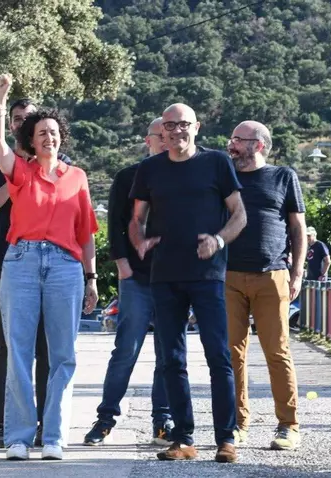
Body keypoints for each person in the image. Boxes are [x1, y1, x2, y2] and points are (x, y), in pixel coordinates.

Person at [129, 103, 246, 463]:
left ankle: (226, 439)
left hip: (207, 276)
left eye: (183, 124)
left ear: (197, 127)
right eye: (170, 125)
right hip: (165, 275)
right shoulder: (150, 169)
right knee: (171, 360)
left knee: (218, 356)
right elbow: (136, 219)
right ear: (161, 131)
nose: (176, 130)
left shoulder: (216, 163)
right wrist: (140, 241)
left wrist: (218, 241)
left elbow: (240, 215)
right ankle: (183, 439)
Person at [0, 73, 98, 461]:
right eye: (41, 133)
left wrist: (91, 278)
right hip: (21, 262)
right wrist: (0, 99)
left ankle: (53, 436)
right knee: (18, 351)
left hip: (66, 266)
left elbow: (86, 233)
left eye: (53, 132)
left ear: (61, 137)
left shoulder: (77, 177)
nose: (48, 137)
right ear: (31, 141)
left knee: (63, 354)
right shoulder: (20, 171)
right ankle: (18, 438)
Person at [0, 98, 70, 449]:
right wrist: (17, 176)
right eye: (18, 120)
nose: (22, 125)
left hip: (52, 265)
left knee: (48, 347)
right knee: (8, 347)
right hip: (9, 262)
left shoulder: (62, 166)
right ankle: (5, 424)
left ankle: (46, 426)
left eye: (29, 120)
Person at [84, 117, 172, 446]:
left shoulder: (185, 174)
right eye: (160, 135)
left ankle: (162, 421)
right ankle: (105, 419)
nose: (167, 139)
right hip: (136, 277)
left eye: (171, 133)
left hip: (172, 279)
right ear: (148, 140)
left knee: (168, 354)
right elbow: (116, 225)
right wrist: (122, 265)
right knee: (126, 350)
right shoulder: (127, 177)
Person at [225, 120, 306, 450]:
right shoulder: (224, 176)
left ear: (257, 145)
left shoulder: (283, 176)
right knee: (231, 354)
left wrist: (297, 274)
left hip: (272, 275)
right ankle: (236, 424)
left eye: (237, 139)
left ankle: (288, 425)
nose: (231, 144)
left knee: (277, 351)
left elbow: (298, 229)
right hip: (228, 276)